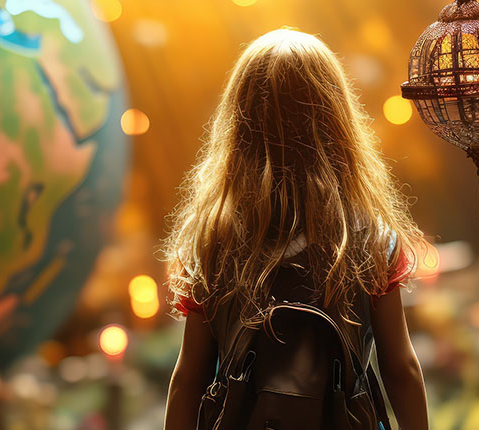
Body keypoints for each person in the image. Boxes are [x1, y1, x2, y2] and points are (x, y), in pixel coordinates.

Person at [161, 28, 430, 430]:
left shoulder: (213, 242)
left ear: (240, 128)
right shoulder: (370, 241)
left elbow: (189, 378)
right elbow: (401, 368)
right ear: (337, 123)